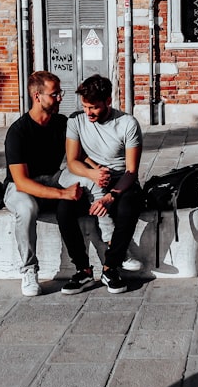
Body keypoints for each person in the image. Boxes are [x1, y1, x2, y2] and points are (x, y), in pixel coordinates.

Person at [56, 74, 143, 295]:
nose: (88, 113)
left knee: (127, 207)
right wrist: (93, 174)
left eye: (94, 107)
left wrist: (110, 196)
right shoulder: (75, 121)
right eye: (85, 107)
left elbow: (132, 171)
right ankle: (83, 271)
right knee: (64, 210)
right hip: (90, 179)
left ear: (108, 101)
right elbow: (72, 161)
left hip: (121, 182)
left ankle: (110, 268)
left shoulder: (127, 124)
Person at [4, 71, 82, 296]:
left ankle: (110, 253)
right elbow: (21, 181)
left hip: (52, 178)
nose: (60, 98)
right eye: (55, 94)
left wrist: (96, 174)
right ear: (37, 96)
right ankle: (29, 270)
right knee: (27, 208)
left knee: (86, 184)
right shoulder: (18, 132)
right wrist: (62, 194)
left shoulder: (61, 123)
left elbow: (76, 158)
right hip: (19, 187)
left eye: (60, 93)